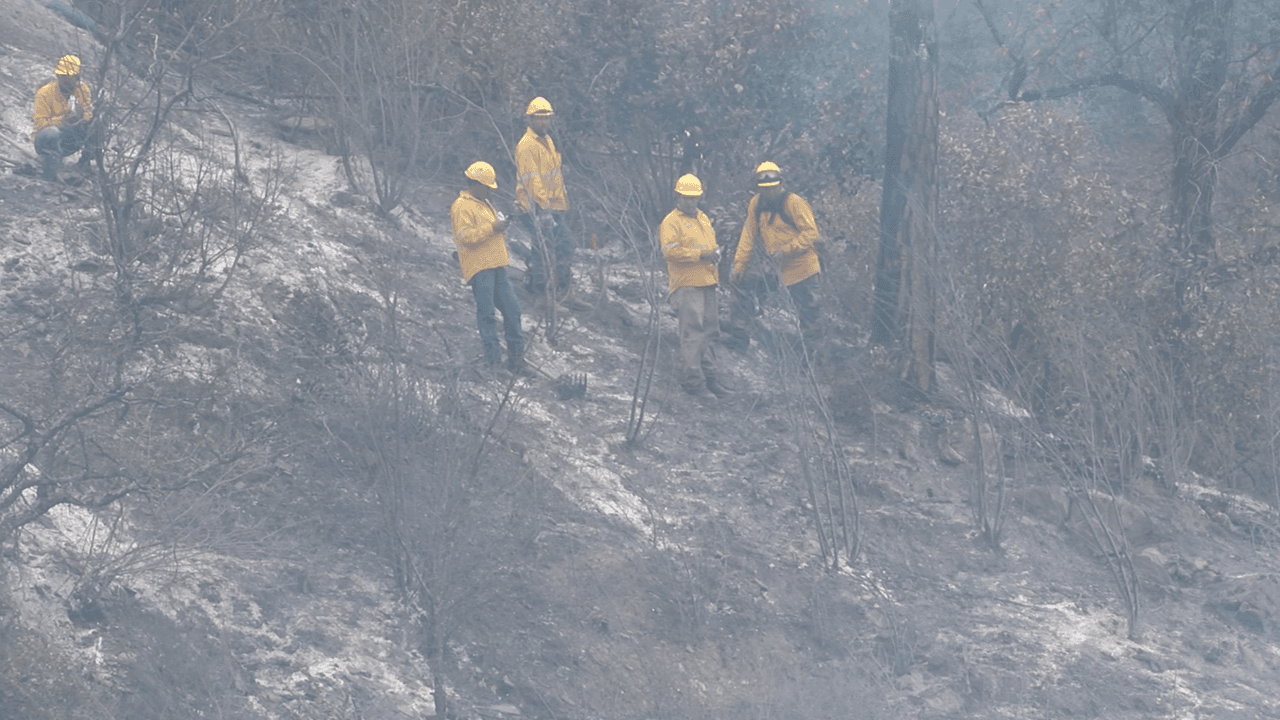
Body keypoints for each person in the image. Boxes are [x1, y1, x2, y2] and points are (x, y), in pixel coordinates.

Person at [728, 161, 823, 350]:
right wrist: (739, 265)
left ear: (780, 183)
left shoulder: (794, 203)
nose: (769, 192)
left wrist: (787, 249)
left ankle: (812, 361)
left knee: (809, 316)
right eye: (765, 188)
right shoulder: (756, 203)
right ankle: (739, 338)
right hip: (775, 266)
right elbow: (748, 236)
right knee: (744, 285)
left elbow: (812, 233)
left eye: (773, 188)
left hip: (802, 268)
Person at [450, 161, 530, 376]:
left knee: (513, 311)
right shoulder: (461, 206)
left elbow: (490, 234)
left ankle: (516, 362)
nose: (489, 191)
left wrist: (500, 227)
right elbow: (466, 238)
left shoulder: (485, 204)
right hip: (479, 267)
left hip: (497, 265)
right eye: (487, 187)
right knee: (486, 315)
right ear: (474, 184)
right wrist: (493, 227)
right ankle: (493, 364)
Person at [514, 96, 590, 310]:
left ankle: (563, 292)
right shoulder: (527, 145)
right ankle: (541, 295)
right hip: (535, 208)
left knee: (565, 245)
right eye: (539, 118)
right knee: (543, 248)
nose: (543, 122)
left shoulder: (547, 141)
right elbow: (532, 178)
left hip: (553, 207)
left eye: (546, 118)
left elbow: (552, 176)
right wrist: (543, 209)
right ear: (529, 120)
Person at [660, 174, 731, 399]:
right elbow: (670, 251)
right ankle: (694, 382)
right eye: (686, 198)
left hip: (708, 282)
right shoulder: (671, 221)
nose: (690, 202)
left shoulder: (703, 218)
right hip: (687, 285)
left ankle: (710, 378)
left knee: (710, 332)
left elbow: (709, 247)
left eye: (694, 198)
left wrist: (714, 255)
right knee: (692, 333)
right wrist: (701, 254)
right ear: (678, 197)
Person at [32, 55, 96, 182]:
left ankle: (84, 163)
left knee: (97, 123)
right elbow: (40, 124)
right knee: (52, 132)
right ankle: (49, 170)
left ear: (77, 76)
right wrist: (61, 121)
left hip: (70, 140)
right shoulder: (44, 93)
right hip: (46, 141)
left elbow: (89, 112)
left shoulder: (82, 89)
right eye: (62, 76)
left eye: (68, 76)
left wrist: (83, 119)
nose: (64, 79)